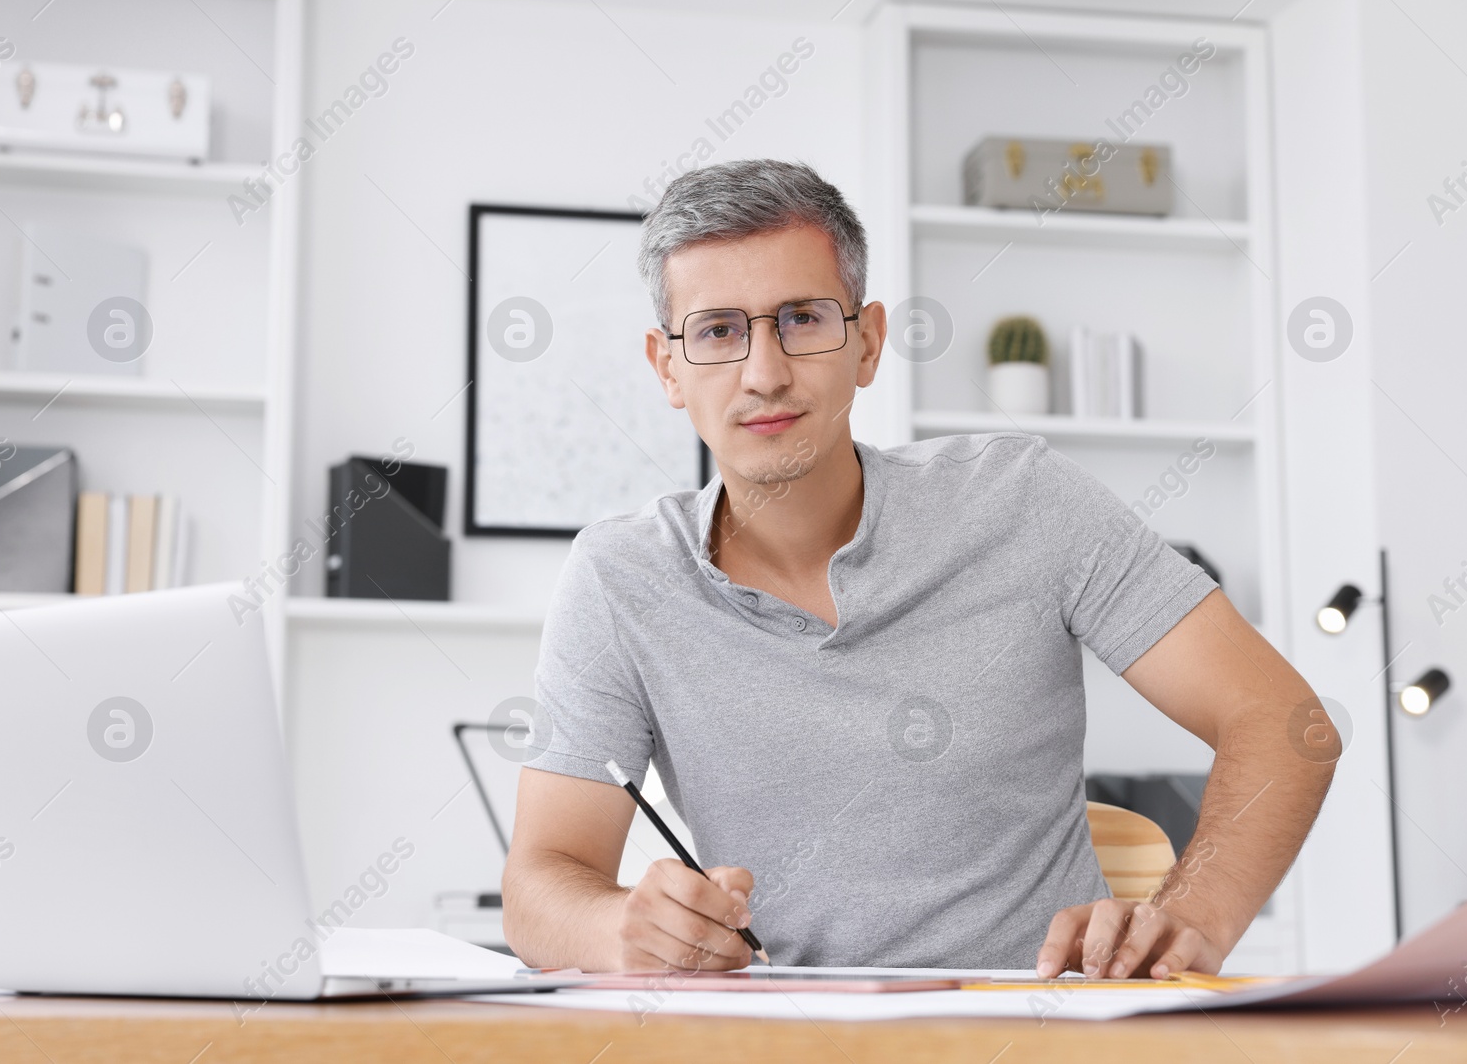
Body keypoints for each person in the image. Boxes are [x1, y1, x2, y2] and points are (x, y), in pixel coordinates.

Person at [501, 158, 1336, 979]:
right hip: (789, 1042)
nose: (764, 372)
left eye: (802, 319)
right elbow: (541, 883)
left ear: (866, 343)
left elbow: (1284, 723)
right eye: (719, 331)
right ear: (668, 368)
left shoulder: (1023, 500)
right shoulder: (618, 578)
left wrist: (1188, 917)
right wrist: (623, 928)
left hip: (1036, 1034)